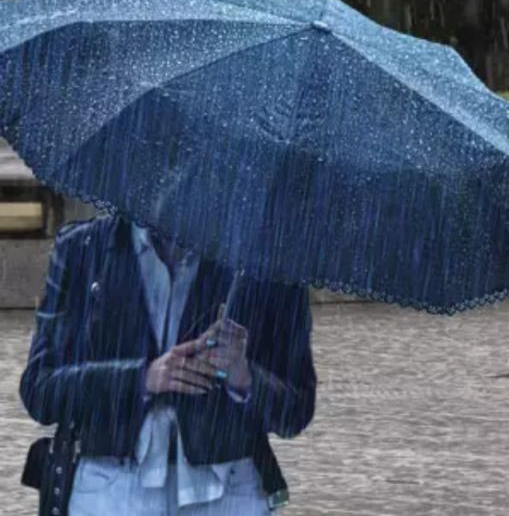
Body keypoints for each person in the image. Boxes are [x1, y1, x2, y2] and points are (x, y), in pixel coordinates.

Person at [20, 214, 316, 515]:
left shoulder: (269, 262)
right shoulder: (83, 248)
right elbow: (40, 392)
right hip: (108, 491)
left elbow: (296, 411)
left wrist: (244, 376)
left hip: (231, 490)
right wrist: (142, 378)